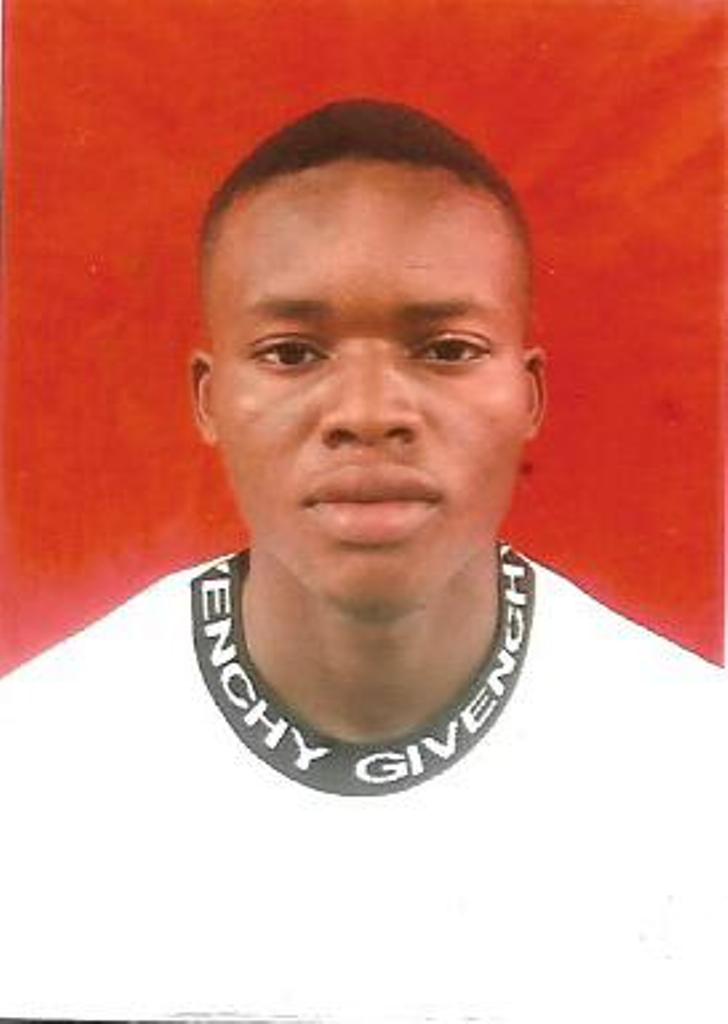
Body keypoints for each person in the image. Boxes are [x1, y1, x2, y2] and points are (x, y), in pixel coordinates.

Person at [0, 100, 724, 1023]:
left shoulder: (699, 772)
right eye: (292, 353)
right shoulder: (32, 774)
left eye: (447, 350)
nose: (370, 412)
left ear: (529, 396)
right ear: (209, 401)